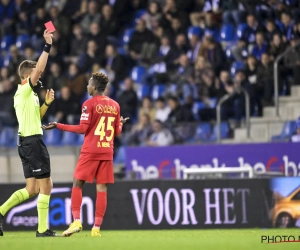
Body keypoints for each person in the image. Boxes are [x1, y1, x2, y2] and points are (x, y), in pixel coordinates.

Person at [42, 72, 129, 237]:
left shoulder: (89, 104)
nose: (87, 86)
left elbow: (82, 129)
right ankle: (96, 229)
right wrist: (121, 124)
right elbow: (116, 131)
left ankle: (76, 221)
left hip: (91, 150)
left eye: (89, 84)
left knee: (77, 184)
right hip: (107, 151)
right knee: (102, 188)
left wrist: (59, 125)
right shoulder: (115, 105)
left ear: (94, 87)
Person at [0, 29, 56, 237]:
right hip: (32, 142)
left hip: (25, 141)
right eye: (34, 72)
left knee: (32, 189)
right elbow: (40, 68)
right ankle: (42, 229)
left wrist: (47, 104)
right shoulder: (24, 90)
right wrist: (47, 45)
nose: (38, 74)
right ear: (27, 75)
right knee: (46, 185)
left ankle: (0, 212)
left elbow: (37, 118)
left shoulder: (27, 95)